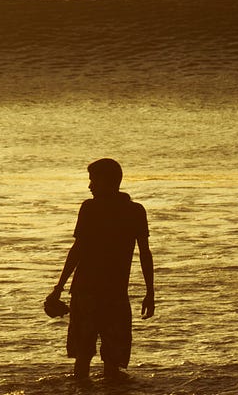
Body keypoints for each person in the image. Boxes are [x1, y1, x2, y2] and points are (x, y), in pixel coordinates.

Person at [47, 158, 156, 380]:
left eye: (93, 180)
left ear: (107, 181)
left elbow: (77, 250)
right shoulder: (134, 211)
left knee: (83, 360)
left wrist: (59, 287)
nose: (90, 186)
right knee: (112, 365)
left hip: (88, 293)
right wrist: (150, 292)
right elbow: (144, 252)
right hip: (111, 295)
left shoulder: (91, 209)